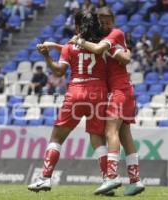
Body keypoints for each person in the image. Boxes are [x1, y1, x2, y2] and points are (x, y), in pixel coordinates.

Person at [28, 12, 109, 194]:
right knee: (97, 139)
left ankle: (45, 179)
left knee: (56, 138)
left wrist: (47, 56)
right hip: (98, 93)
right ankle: (107, 181)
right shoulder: (103, 45)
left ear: (78, 27)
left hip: (76, 93)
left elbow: (58, 72)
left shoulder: (70, 46)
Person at [70, 7, 145, 196]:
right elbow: (124, 57)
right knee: (125, 135)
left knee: (110, 131)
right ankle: (136, 181)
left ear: (113, 20)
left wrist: (79, 40)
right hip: (124, 90)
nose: (104, 24)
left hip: (119, 91)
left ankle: (112, 177)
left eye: (107, 21)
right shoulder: (106, 39)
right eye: (101, 21)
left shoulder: (114, 34)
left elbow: (101, 50)